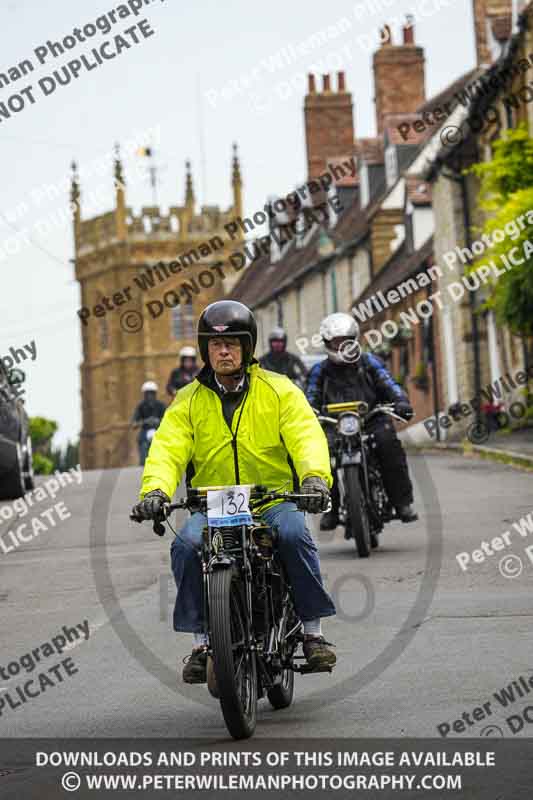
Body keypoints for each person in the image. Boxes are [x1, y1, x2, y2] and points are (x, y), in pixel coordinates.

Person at [131, 300, 337, 683]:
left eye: (232, 344)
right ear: (206, 350)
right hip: (214, 502)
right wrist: (155, 491)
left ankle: (313, 632)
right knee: (186, 546)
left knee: (294, 534)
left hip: (273, 498)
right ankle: (201, 642)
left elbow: (306, 434)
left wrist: (313, 479)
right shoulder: (187, 400)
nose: (223, 352)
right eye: (214, 345)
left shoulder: (279, 390)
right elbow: (167, 448)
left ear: (247, 347)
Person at [306, 312, 418, 531]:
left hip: (371, 418)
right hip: (334, 424)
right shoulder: (320, 370)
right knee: (323, 457)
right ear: (327, 343)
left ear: (354, 340)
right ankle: (331, 509)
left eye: (344, 341)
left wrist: (401, 400)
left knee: (389, 445)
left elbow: (389, 383)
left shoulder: (369, 362)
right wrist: (308, 411)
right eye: (336, 342)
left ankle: (402, 502)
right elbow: (310, 394)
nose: (340, 346)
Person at [131, 381, 166, 466]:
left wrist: (158, 421)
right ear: (144, 395)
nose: (149, 396)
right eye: (147, 394)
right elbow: (134, 422)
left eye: (152, 393)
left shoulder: (161, 405)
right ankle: (143, 463)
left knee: (165, 442)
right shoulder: (141, 406)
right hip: (145, 430)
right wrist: (144, 421)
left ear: (155, 394)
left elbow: (169, 419)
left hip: (159, 430)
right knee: (141, 441)